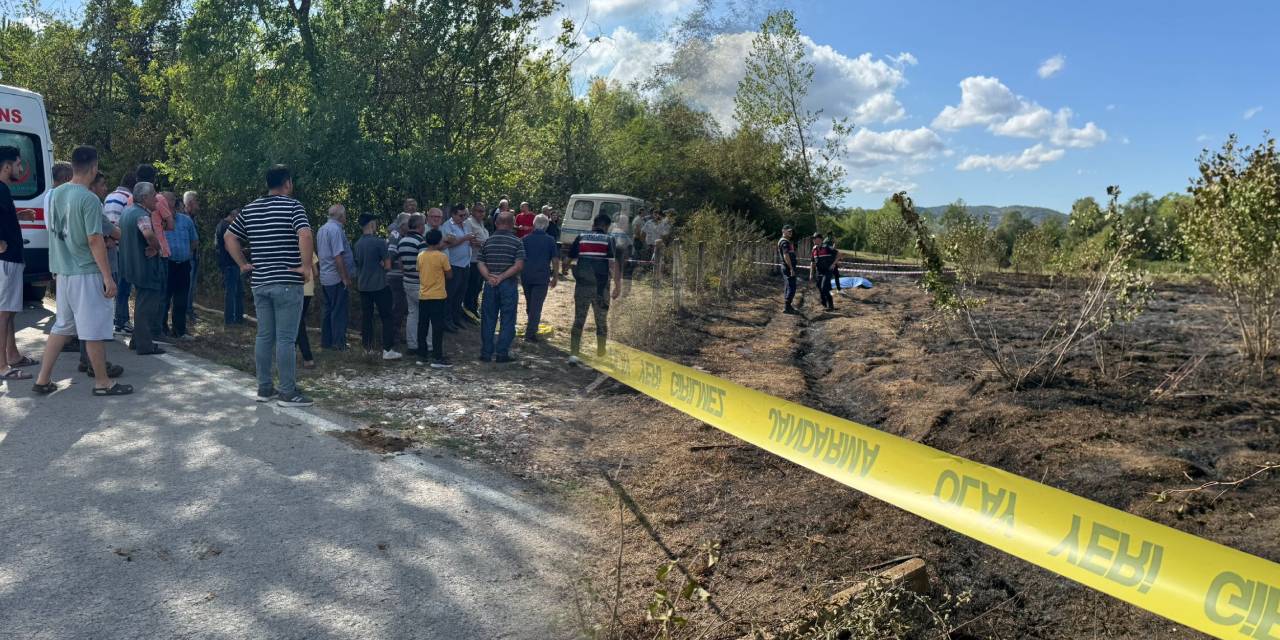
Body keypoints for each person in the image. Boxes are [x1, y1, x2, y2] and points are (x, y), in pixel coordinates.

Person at [31, 145, 133, 396]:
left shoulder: (55, 195)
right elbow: (95, 239)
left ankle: (43, 379)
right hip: (85, 271)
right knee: (94, 328)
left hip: (62, 271)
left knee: (62, 326)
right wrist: (108, 277)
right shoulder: (89, 199)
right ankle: (102, 382)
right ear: (94, 167)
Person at [223, 164, 314, 407]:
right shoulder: (293, 206)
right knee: (285, 339)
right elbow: (305, 234)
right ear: (288, 183)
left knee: (264, 335)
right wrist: (306, 266)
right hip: (286, 281)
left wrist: (243, 264)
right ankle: (287, 392)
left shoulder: (250, 209)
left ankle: (264, 387)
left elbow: (229, 237)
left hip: (260, 281)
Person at [119, 182, 167, 356]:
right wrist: (157, 247)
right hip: (144, 267)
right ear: (145, 198)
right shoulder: (141, 215)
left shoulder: (127, 212)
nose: (157, 199)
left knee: (141, 303)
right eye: (154, 195)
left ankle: (136, 340)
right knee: (146, 307)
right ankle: (145, 344)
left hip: (130, 265)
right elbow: (148, 234)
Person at [567, 213, 621, 364]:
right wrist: (618, 286)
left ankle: (574, 354)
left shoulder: (581, 237)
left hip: (582, 287)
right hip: (601, 289)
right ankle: (601, 354)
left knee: (578, 319)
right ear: (606, 226)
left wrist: (565, 268)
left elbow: (568, 259)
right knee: (601, 321)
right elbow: (612, 264)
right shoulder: (609, 239)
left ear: (594, 224)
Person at [0, 145, 34, 382]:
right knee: (3, 313)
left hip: (11, 259)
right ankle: (2, 366)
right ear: (7, 166)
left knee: (9, 312)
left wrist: (17, 216)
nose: (21, 169)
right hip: (6, 260)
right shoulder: (0, 188)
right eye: (19, 164)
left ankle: (12, 355)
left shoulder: (4, 190)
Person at [476, 211, 524, 363]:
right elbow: (519, 265)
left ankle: (486, 353)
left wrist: (489, 277)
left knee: (488, 318)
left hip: (490, 284)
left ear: (496, 224)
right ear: (512, 224)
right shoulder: (517, 242)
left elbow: (480, 262)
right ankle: (502, 353)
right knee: (508, 318)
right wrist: (502, 277)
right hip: (508, 283)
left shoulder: (487, 241)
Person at [353, 213, 400, 360]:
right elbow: (388, 265)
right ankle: (387, 349)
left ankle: (367, 348)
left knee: (367, 317)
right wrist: (382, 264)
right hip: (379, 285)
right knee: (387, 316)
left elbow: (358, 264)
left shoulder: (357, 244)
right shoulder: (379, 242)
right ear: (372, 224)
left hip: (363, 285)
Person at [317, 203, 354, 351]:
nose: (346, 217)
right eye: (345, 215)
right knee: (339, 311)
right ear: (341, 216)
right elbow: (338, 256)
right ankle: (339, 343)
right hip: (336, 277)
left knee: (328, 310)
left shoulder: (322, 229)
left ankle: (326, 342)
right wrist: (344, 277)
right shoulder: (336, 230)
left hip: (325, 276)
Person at [415, 228, 452, 368]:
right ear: (439, 241)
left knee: (422, 326)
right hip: (438, 295)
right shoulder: (442, 256)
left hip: (423, 295)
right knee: (437, 327)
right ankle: (437, 357)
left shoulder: (421, 255)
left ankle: (421, 355)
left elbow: (418, 270)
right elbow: (449, 275)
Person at [162, 195, 198, 340]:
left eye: (171, 201)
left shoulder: (186, 220)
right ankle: (162, 329)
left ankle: (179, 330)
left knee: (181, 299)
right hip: (167, 264)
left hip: (183, 264)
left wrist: (186, 253)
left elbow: (194, 240)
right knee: (164, 298)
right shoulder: (159, 220)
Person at [104, 172, 136, 333]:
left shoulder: (109, 196)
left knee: (115, 284)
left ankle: (116, 319)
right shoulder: (128, 198)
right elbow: (126, 223)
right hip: (121, 246)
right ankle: (122, 321)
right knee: (124, 286)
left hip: (109, 245)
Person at [521, 213, 558, 343]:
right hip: (541, 276)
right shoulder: (550, 240)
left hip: (526, 275)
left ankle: (531, 325)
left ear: (533, 224)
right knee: (536, 306)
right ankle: (530, 334)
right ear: (546, 226)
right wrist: (555, 276)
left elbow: (519, 258)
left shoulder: (525, 239)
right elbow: (555, 259)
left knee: (530, 303)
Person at [441, 203, 475, 330]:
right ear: (453, 214)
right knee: (450, 294)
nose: (463, 217)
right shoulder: (447, 226)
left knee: (461, 293)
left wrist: (471, 241)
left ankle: (457, 318)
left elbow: (466, 241)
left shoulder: (466, 224)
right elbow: (448, 244)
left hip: (466, 264)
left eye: (465, 215)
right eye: (461, 215)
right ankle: (446, 320)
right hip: (454, 264)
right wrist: (464, 238)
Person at [397, 213, 427, 353]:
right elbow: (424, 264)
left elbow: (400, 263)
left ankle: (412, 345)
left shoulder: (402, 241)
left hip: (407, 280)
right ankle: (428, 345)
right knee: (428, 314)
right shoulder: (421, 242)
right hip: (419, 282)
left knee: (412, 313)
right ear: (420, 226)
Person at [214, 208, 244, 324]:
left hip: (229, 263)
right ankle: (230, 320)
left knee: (237, 292)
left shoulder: (221, 225)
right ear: (234, 216)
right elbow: (229, 246)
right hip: (230, 263)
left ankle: (237, 318)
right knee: (232, 293)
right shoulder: (227, 227)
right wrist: (241, 254)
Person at [386, 211, 410, 346]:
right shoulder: (395, 236)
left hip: (399, 276)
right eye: (409, 224)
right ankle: (392, 336)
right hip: (394, 277)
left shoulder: (402, 236)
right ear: (403, 225)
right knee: (397, 306)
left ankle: (396, 333)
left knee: (401, 307)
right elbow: (389, 255)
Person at [463, 202, 489, 321]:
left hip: (481, 260)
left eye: (483, 211)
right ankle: (468, 310)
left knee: (478, 287)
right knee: (472, 287)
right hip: (472, 260)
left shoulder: (481, 223)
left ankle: (473, 309)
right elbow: (470, 241)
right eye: (479, 211)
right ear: (473, 211)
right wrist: (485, 245)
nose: (481, 213)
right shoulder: (469, 222)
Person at [297, 253, 318, 369]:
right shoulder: (309, 249)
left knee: (298, 323)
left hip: (295, 289)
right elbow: (316, 272)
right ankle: (291, 351)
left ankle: (308, 357)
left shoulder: (288, 247)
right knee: (298, 322)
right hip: (308, 289)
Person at [183, 191, 201, 320]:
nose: (198, 205)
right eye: (196, 202)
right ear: (190, 203)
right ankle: (185, 311)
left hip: (194, 257)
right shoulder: (183, 218)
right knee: (187, 286)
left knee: (192, 286)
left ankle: (189, 310)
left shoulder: (193, 218)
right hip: (187, 258)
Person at [812, 236, 841, 311]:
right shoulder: (814, 249)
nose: (813, 240)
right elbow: (812, 262)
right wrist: (811, 274)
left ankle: (830, 306)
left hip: (827, 271)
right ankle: (825, 304)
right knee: (820, 287)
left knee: (824, 287)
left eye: (815, 238)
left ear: (820, 240)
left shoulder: (826, 247)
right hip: (819, 272)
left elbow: (838, 254)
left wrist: (833, 264)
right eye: (813, 239)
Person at [609, 212, 633, 297]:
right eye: (625, 222)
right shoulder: (621, 232)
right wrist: (627, 256)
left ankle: (616, 291)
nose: (627, 225)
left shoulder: (613, 230)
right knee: (617, 275)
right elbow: (623, 245)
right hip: (618, 255)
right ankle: (617, 291)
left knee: (614, 275)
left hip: (611, 254)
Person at [778, 224, 798, 315]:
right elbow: (786, 256)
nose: (790, 232)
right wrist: (791, 268)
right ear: (783, 231)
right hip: (788, 267)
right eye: (788, 231)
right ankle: (787, 307)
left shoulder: (787, 241)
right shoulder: (784, 242)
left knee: (788, 286)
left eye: (791, 231)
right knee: (792, 286)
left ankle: (788, 306)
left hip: (787, 267)